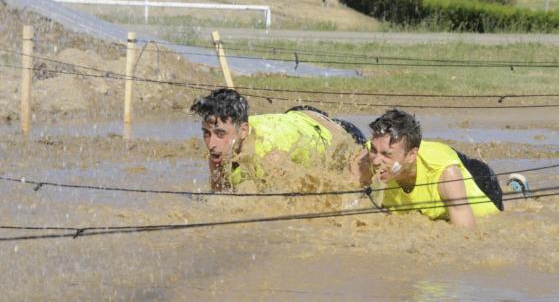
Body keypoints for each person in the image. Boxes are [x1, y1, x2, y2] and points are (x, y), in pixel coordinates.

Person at [190, 88, 367, 192]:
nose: (211, 144)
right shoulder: (220, 151)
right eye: (206, 133)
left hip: (342, 134)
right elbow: (220, 198)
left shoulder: (271, 158)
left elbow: (303, 201)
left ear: (243, 130)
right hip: (297, 118)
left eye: (220, 134)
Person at [367, 109, 504, 227]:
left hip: (481, 185)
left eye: (386, 154)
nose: (376, 161)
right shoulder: (366, 157)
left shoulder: (447, 175)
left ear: (411, 156)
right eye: (374, 150)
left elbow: (466, 237)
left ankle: (518, 187)